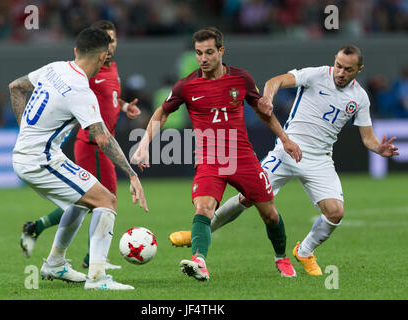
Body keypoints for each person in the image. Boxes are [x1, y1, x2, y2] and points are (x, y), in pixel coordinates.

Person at [169, 45, 399, 276]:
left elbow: (368, 138)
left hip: (320, 159)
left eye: (348, 69)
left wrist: (379, 148)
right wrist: (267, 98)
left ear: (359, 70)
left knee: (335, 213)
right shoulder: (316, 75)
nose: (340, 72)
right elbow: (275, 81)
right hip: (286, 153)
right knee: (247, 198)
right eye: (338, 65)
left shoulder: (359, 98)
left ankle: (305, 251)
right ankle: (200, 232)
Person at [131, 27, 302, 281]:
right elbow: (162, 112)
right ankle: (199, 261)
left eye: (209, 52)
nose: (203, 58)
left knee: (270, 213)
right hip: (209, 159)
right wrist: (145, 142)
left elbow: (262, 111)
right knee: (203, 208)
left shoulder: (241, 79)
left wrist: (285, 139)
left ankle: (281, 258)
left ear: (221, 51)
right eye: (199, 53)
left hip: (241, 156)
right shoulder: (186, 85)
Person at [9, 27, 148, 290]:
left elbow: (15, 87)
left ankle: (55, 263)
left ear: (76, 51)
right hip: (41, 161)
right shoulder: (80, 89)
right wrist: (132, 174)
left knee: (83, 201)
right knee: (107, 200)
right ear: (101, 57)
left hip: (37, 155)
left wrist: (26, 131)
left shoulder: (55, 68)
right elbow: (103, 138)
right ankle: (97, 278)